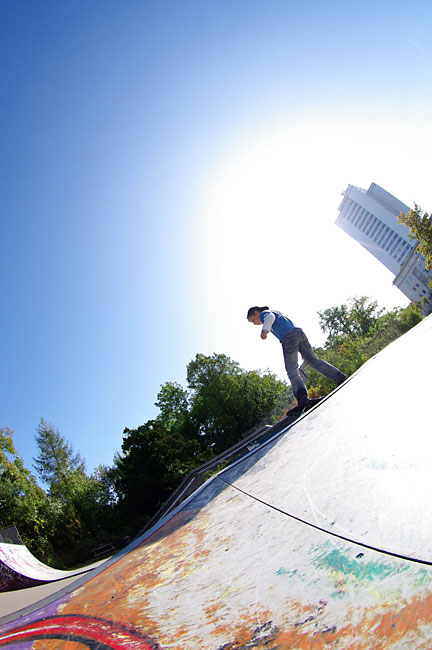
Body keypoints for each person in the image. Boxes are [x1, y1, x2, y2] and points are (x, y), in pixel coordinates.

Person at [247, 306, 347, 406]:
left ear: (256, 312)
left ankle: (303, 399)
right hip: (298, 332)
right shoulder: (276, 312)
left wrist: (264, 330)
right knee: (314, 361)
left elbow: (270, 317)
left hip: (288, 338)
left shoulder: (264, 314)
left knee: (292, 371)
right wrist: (302, 350)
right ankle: (339, 377)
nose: (254, 323)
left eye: (253, 320)